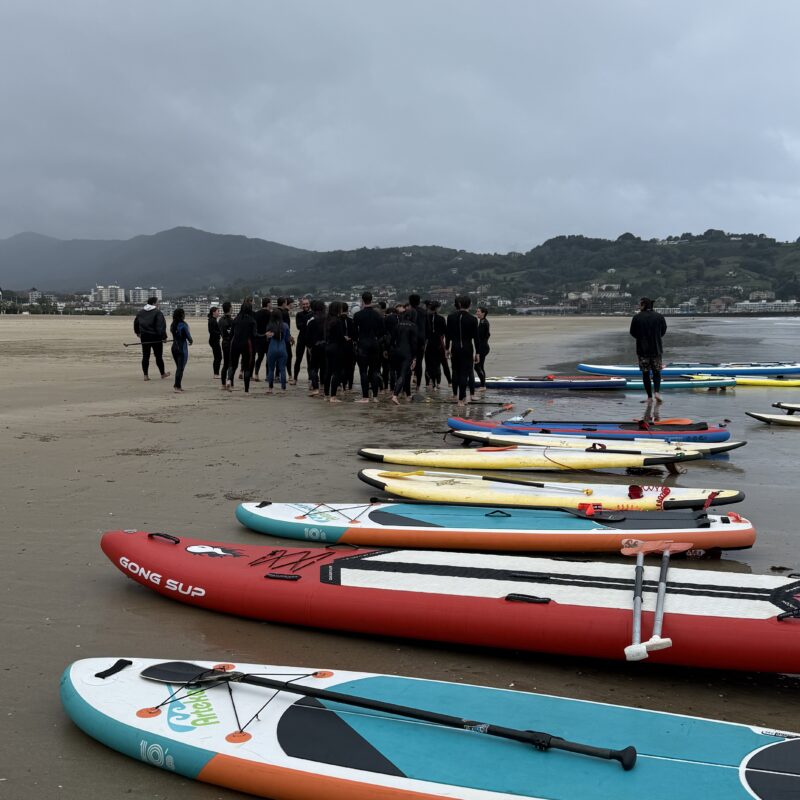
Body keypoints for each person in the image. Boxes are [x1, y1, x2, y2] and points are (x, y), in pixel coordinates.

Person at [630, 297, 668, 403]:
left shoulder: (637, 317)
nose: (639, 306)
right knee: (657, 372)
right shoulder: (659, 316)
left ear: (643, 305)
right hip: (656, 349)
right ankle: (657, 392)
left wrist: (641, 338)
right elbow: (663, 330)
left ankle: (649, 397)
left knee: (645, 373)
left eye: (640, 304)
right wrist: (656, 337)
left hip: (642, 350)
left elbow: (632, 332)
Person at [446, 295, 479, 407]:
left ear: (459, 305)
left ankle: (456, 396)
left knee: (455, 371)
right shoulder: (473, 319)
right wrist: (477, 353)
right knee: (465, 373)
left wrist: (447, 348)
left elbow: (448, 335)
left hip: (455, 347)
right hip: (467, 347)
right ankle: (461, 400)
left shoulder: (450, 317)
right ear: (470, 305)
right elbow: (476, 338)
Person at [353, 291, 385, 403]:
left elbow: (354, 332)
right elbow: (382, 332)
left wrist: (357, 340)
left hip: (363, 344)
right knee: (375, 371)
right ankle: (375, 396)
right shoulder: (378, 315)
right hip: (375, 344)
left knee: (363, 371)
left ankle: (365, 397)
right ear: (372, 300)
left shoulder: (357, 315)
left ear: (362, 300)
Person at [133, 296, 170, 381]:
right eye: (158, 302)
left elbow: (136, 323)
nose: (159, 303)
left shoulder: (141, 312)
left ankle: (145, 375)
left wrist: (138, 332)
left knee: (145, 356)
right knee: (158, 356)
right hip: (156, 337)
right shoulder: (157, 312)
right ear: (153, 303)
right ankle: (162, 374)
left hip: (144, 337)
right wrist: (164, 337)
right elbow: (161, 326)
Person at [227, 298, 257, 393]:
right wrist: (264, 335)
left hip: (235, 343)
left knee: (233, 364)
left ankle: (229, 380)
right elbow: (254, 335)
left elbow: (231, 334)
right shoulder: (252, 321)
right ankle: (246, 389)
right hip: (246, 344)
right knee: (247, 367)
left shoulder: (235, 319)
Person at [390, 309, 418, 404]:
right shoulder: (413, 326)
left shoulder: (397, 325)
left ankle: (407, 395)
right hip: (407, 353)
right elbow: (414, 344)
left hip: (396, 352)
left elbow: (392, 340)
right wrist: (414, 357)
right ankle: (395, 396)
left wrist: (391, 350)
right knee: (403, 373)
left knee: (401, 374)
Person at [323, 300, 348, 402]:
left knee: (328, 372)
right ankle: (333, 396)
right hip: (336, 348)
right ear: (337, 309)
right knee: (336, 372)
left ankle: (326, 395)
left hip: (328, 347)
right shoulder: (337, 321)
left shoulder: (327, 320)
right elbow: (340, 336)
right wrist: (345, 338)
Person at [265, 309, 291, 393]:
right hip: (282, 348)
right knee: (282, 369)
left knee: (271, 369)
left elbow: (267, 339)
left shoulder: (269, 325)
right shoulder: (285, 325)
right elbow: (287, 339)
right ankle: (283, 389)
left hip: (272, 348)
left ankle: (270, 388)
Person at [305, 299, 327, 396]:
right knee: (325, 367)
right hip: (327, 346)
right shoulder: (328, 319)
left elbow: (308, 336)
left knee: (313, 368)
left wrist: (309, 347)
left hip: (315, 347)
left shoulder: (311, 320)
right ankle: (324, 386)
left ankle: (316, 388)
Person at [424, 299, 447, 390]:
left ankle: (429, 383)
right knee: (437, 365)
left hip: (428, 344)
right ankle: (438, 384)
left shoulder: (426, 317)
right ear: (437, 308)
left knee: (428, 365)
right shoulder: (441, 318)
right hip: (438, 344)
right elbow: (444, 332)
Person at [407, 293, 428, 390]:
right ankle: (418, 385)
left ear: (410, 302)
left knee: (408, 362)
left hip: (410, 339)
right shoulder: (424, 312)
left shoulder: (409, 312)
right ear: (419, 302)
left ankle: (406, 385)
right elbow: (428, 327)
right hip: (421, 339)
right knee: (419, 362)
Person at [170, 308, 193, 392]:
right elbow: (188, 336)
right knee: (180, 368)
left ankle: (178, 385)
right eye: (183, 313)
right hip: (182, 349)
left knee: (179, 368)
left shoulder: (173, 324)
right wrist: (191, 341)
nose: (184, 315)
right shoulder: (183, 324)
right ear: (181, 315)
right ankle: (177, 386)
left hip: (174, 348)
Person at [293, 297, 314, 385]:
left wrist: (305, 323)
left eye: (307, 304)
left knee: (310, 360)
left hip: (310, 339)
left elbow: (312, 326)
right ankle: (295, 378)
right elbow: (299, 326)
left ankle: (310, 378)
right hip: (301, 338)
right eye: (303, 304)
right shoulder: (299, 314)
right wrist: (307, 321)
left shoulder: (313, 313)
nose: (305, 306)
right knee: (298, 359)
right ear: (301, 305)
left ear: (309, 304)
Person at [277, 297, 296, 383]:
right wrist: (289, 337)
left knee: (279, 356)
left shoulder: (279, 312)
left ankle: (277, 375)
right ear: (288, 303)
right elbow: (286, 327)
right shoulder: (285, 313)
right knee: (289, 356)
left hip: (278, 337)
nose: (293, 305)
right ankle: (290, 375)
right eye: (292, 303)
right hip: (285, 338)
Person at [253, 297, 272, 381]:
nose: (271, 305)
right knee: (268, 358)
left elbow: (254, 326)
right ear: (268, 304)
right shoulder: (270, 314)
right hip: (268, 338)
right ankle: (268, 376)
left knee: (259, 357)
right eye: (270, 303)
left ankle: (256, 374)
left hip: (259, 338)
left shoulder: (256, 313)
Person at [217, 301, 234, 390]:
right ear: (229, 308)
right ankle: (229, 381)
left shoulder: (220, 320)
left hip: (224, 342)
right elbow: (234, 333)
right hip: (230, 343)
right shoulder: (231, 320)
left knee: (225, 364)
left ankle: (223, 384)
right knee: (231, 364)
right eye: (231, 307)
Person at [474, 306, 491, 391]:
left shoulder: (484, 323)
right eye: (477, 311)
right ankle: (483, 384)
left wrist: (478, 351)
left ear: (483, 313)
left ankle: (483, 386)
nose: (477, 313)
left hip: (483, 348)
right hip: (483, 347)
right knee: (480, 366)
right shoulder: (481, 321)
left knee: (477, 367)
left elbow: (482, 336)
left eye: (478, 311)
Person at [207, 306, 222, 379]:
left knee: (217, 357)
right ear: (213, 312)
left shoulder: (213, 319)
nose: (218, 312)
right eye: (217, 311)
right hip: (214, 341)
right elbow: (212, 331)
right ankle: (216, 374)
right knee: (218, 357)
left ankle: (216, 373)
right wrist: (220, 332)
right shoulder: (212, 320)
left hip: (214, 340)